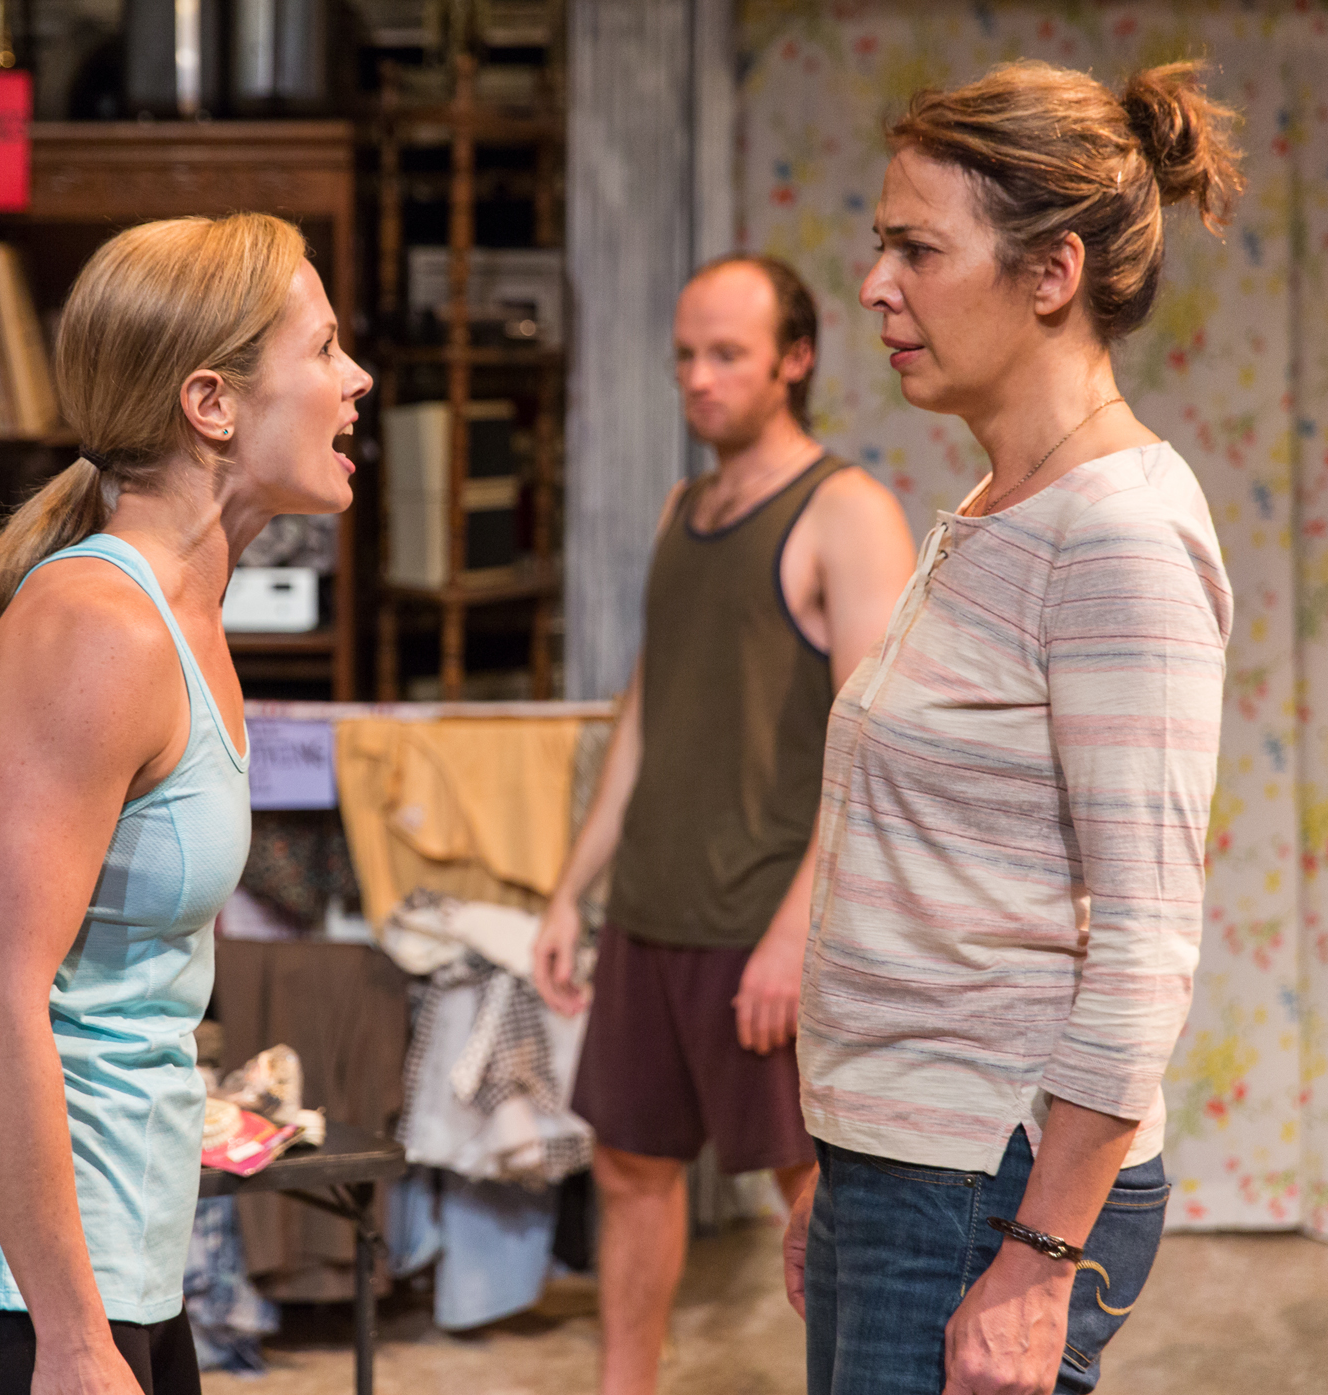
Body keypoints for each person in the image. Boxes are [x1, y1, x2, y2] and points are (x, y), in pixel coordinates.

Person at [0, 212, 370, 1395]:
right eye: (326, 347)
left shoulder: (177, 622)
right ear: (212, 403)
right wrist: (74, 1338)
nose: (357, 380)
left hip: (115, 1268)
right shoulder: (98, 630)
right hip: (5, 1293)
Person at [787, 60, 1242, 1395]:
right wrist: (849, 1149)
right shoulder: (1002, 500)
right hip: (908, 1160)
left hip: (988, 1179)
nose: (877, 286)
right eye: (883, 246)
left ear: (1051, 272)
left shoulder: (1118, 534)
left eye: (916, 250)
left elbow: (1148, 936)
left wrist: (1040, 1255)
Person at [531, 256, 917, 1395]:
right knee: (628, 1170)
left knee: (817, 1194)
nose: (698, 379)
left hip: (765, 923)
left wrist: (798, 933)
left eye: (727, 355)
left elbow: (874, 748)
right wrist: (572, 889)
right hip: (653, 914)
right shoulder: (680, 509)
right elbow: (643, 719)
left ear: (795, 360)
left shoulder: (847, 512)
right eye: (685, 358)